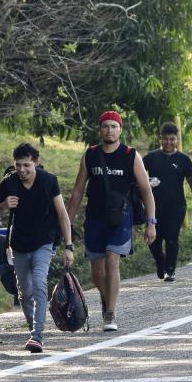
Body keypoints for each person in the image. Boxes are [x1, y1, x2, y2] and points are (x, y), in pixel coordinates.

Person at [67, 111, 156, 332]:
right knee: (98, 273)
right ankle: (106, 298)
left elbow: (146, 190)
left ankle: (109, 314)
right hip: (95, 217)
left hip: (121, 218)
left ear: (120, 129)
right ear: (100, 129)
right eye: (105, 126)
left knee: (112, 260)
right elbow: (78, 191)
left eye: (114, 126)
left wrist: (151, 222)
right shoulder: (91, 155)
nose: (109, 130)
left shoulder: (130, 155)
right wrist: (67, 222)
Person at [0, 143, 73, 353]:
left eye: (26, 165)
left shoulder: (49, 181)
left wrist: (68, 246)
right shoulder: (9, 182)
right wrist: (3, 205)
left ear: (36, 163)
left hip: (44, 242)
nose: (22, 170)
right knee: (24, 292)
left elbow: (63, 215)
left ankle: (37, 335)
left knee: (38, 284)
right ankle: (33, 329)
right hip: (18, 244)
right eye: (18, 165)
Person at [144, 123, 192, 282]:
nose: (168, 142)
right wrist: (147, 180)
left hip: (176, 206)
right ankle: (160, 261)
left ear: (177, 140)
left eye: (172, 139)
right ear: (160, 139)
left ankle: (170, 270)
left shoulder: (184, 159)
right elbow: (137, 176)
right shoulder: (151, 157)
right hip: (154, 207)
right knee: (153, 240)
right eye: (165, 139)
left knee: (172, 237)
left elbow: (191, 182)